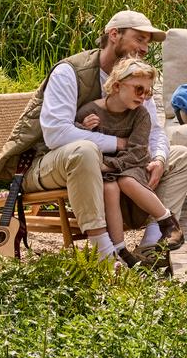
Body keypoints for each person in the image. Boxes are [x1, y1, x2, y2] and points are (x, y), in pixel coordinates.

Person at [0, 10, 187, 261]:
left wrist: (160, 159)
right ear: (114, 34)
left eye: (147, 43)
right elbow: (56, 134)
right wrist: (119, 143)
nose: (144, 48)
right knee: (85, 150)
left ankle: (153, 248)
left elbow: (153, 130)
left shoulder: (137, 78)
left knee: (182, 157)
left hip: (114, 166)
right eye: (139, 39)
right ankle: (105, 254)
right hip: (48, 162)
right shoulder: (70, 72)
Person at [74, 58, 174, 268]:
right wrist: (84, 128)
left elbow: (138, 153)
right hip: (100, 172)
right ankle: (120, 249)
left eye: (148, 92)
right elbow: (74, 141)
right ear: (117, 85)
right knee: (110, 188)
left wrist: (108, 165)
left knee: (126, 181)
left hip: (130, 168)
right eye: (139, 89)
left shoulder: (141, 115)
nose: (144, 97)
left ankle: (168, 222)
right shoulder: (90, 112)